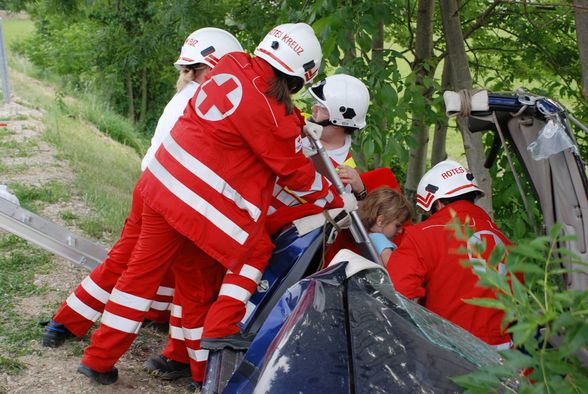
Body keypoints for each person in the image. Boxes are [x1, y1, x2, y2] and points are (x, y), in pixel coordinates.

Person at [76, 22, 348, 389]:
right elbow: (296, 175)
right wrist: (336, 199)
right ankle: (221, 330)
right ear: (301, 75)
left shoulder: (231, 62)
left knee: (141, 280)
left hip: (159, 184)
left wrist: (296, 123)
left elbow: (253, 114)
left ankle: (98, 360)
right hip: (194, 204)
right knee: (256, 252)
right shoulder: (273, 116)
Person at [41, 28, 243, 352]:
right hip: (168, 195)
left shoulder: (185, 94)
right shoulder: (206, 102)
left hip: (148, 184)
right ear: (215, 66)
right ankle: (116, 352)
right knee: (159, 275)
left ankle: (65, 322)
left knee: (120, 260)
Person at [387, 160, 513, 349]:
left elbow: (397, 298)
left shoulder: (420, 236)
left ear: (437, 203)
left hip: (450, 355)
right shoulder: (502, 239)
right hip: (507, 356)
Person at [266, 73, 400, 235]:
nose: (313, 109)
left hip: (281, 229)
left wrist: (361, 191)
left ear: (339, 123)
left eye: (322, 108)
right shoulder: (301, 122)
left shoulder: (346, 172)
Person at [358, 187, 411, 262]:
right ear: (380, 221)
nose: (400, 231)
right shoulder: (380, 239)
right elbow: (391, 266)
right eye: (397, 226)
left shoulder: (369, 237)